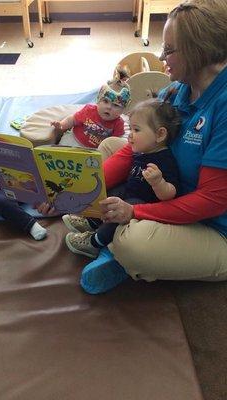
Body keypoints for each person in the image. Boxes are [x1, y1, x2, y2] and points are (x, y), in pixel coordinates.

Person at [72, 0, 227, 294]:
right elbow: (136, 150)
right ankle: (116, 242)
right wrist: (75, 190)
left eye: (169, 50)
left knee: (135, 242)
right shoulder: (176, 90)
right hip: (170, 194)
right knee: (111, 145)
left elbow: (213, 202)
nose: (160, 56)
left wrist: (136, 213)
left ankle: (119, 250)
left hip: (215, 227)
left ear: (199, 49)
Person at [63, 94, 181, 259]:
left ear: (160, 135)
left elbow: (171, 194)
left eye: (136, 130)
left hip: (143, 204)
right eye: (130, 129)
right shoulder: (140, 151)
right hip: (130, 192)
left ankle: (94, 242)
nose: (130, 135)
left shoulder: (165, 160)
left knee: (118, 213)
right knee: (112, 194)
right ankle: (92, 221)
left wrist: (158, 183)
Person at [50, 67, 131, 148]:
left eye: (116, 105)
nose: (109, 107)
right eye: (105, 101)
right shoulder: (88, 110)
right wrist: (61, 125)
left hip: (94, 152)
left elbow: (115, 142)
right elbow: (73, 119)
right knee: (62, 147)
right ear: (98, 100)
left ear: (123, 109)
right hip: (74, 140)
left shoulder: (118, 123)